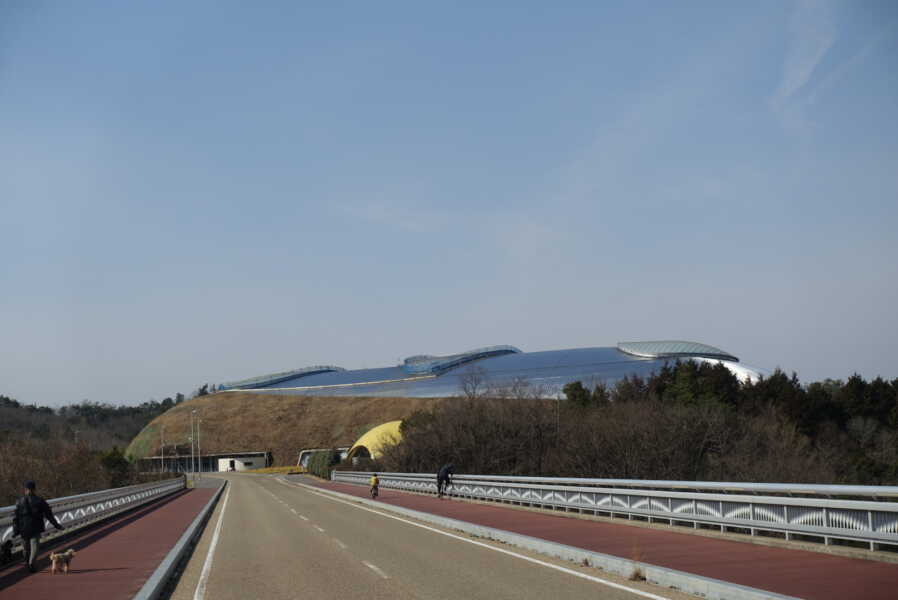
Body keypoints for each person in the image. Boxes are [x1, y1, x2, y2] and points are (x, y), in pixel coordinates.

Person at [12, 480, 64, 573]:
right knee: (34, 546)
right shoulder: (40, 500)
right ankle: (32, 562)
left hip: (23, 528)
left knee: (26, 548)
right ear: (34, 489)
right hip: (36, 526)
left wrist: (15, 530)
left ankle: (28, 563)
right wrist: (57, 525)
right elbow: (49, 515)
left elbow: (15, 517)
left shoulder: (19, 501)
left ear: (25, 489)